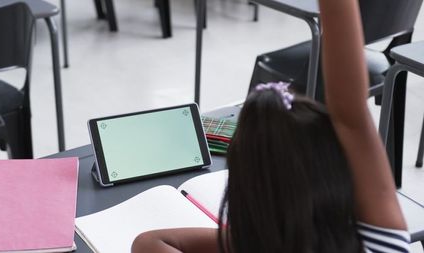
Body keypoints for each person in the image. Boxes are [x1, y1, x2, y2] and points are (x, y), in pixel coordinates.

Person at [131, 0, 410, 252]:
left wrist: (262, 236)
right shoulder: (381, 236)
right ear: (335, 170)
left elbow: (147, 244)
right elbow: (350, 114)